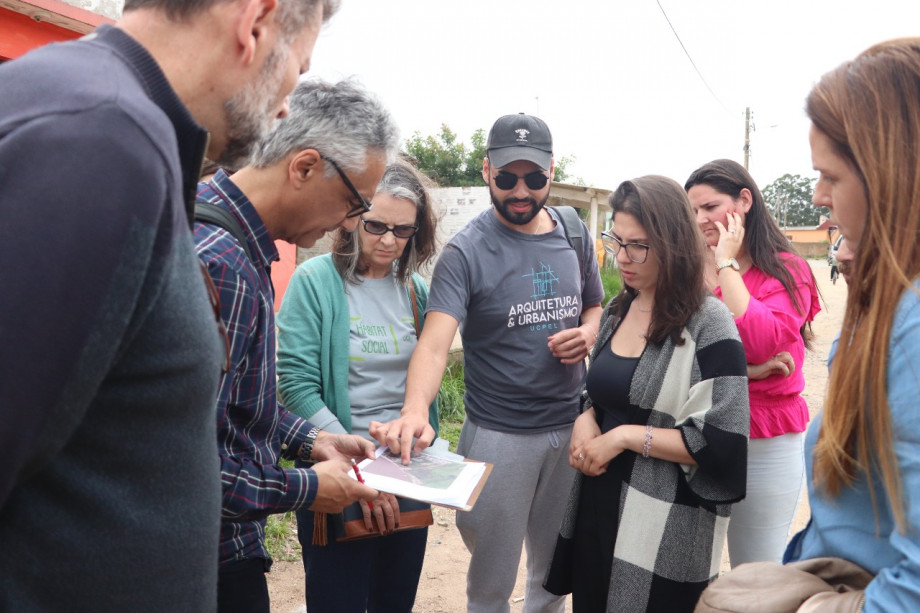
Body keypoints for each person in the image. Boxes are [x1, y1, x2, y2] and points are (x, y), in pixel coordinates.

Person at [0, 0, 336, 609]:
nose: (287, 106)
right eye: (299, 67)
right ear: (255, 22)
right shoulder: (98, 143)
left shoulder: (111, 123)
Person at [373, 113, 604, 613]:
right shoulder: (466, 252)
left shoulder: (574, 232)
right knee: (491, 582)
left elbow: (595, 306)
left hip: (570, 429)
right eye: (506, 178)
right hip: (501, 435)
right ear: (486, 171)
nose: (520, 191)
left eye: (534, 178)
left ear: (551, 171)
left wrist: (589, 332)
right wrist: (414, 411)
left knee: (554, 576)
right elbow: (435, 344)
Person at [194, 78, 397, 613]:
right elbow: (187, 469)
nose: (350, 224)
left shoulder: (231, 239)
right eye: (355, 203)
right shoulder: (222, 265)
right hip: (202, 562)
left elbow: (237, 407)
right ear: (304, 167)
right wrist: (306, 488)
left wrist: (313, 440)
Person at [543, 175, 749, 612]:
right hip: (599, 502)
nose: (622, 258)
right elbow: (598, 391)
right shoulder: (618, 309)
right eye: (616, 241)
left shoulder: (709, 323)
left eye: (638, 245)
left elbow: (720, 441)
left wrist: (622, 437)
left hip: (665, 517)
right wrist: (585, 418)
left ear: (674, 244)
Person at [781, 37, 920, 611]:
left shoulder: (910, 329)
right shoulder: (889, 306)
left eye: (830, 176)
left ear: (890, 175)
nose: (819, 196)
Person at [274, 158, 439, 612]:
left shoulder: (415, 290)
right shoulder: (315, 282)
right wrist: (360, 471)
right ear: (352, 218)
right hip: (340, 472)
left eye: (402, 230)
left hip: (406, 474)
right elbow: (296, 386)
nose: (388, 240)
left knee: (395, 601)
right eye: (376, 225)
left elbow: (423, 382)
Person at [685, 159, 821, 567]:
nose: (700, 219)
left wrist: (725, 264)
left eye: (710, 207)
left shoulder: (787, 269)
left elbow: (762, 342)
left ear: (744, 201)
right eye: (693, 210)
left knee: (757, 568)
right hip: (697, 429)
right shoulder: (690, 270)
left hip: (764, 436)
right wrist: (746, 372)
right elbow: (678, 353)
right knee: (688, 567)